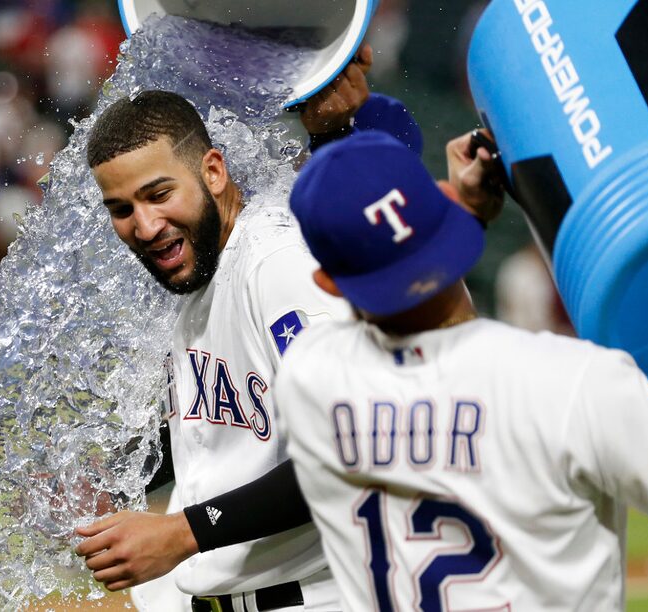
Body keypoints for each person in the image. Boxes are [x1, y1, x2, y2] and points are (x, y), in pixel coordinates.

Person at [73, 57, 503, 609]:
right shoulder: (204, 272)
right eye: (121, 208)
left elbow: (359, 444)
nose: (144, 224)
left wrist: (183, 533)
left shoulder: (274, 262)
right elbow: (240, 432)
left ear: (213, 171)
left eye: (159, 194)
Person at [275, 130, 648, 611]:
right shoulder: (579, 383)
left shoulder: (306, 376)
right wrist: (458, 211)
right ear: (443, 203)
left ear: (328, 283)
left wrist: (454, 216)